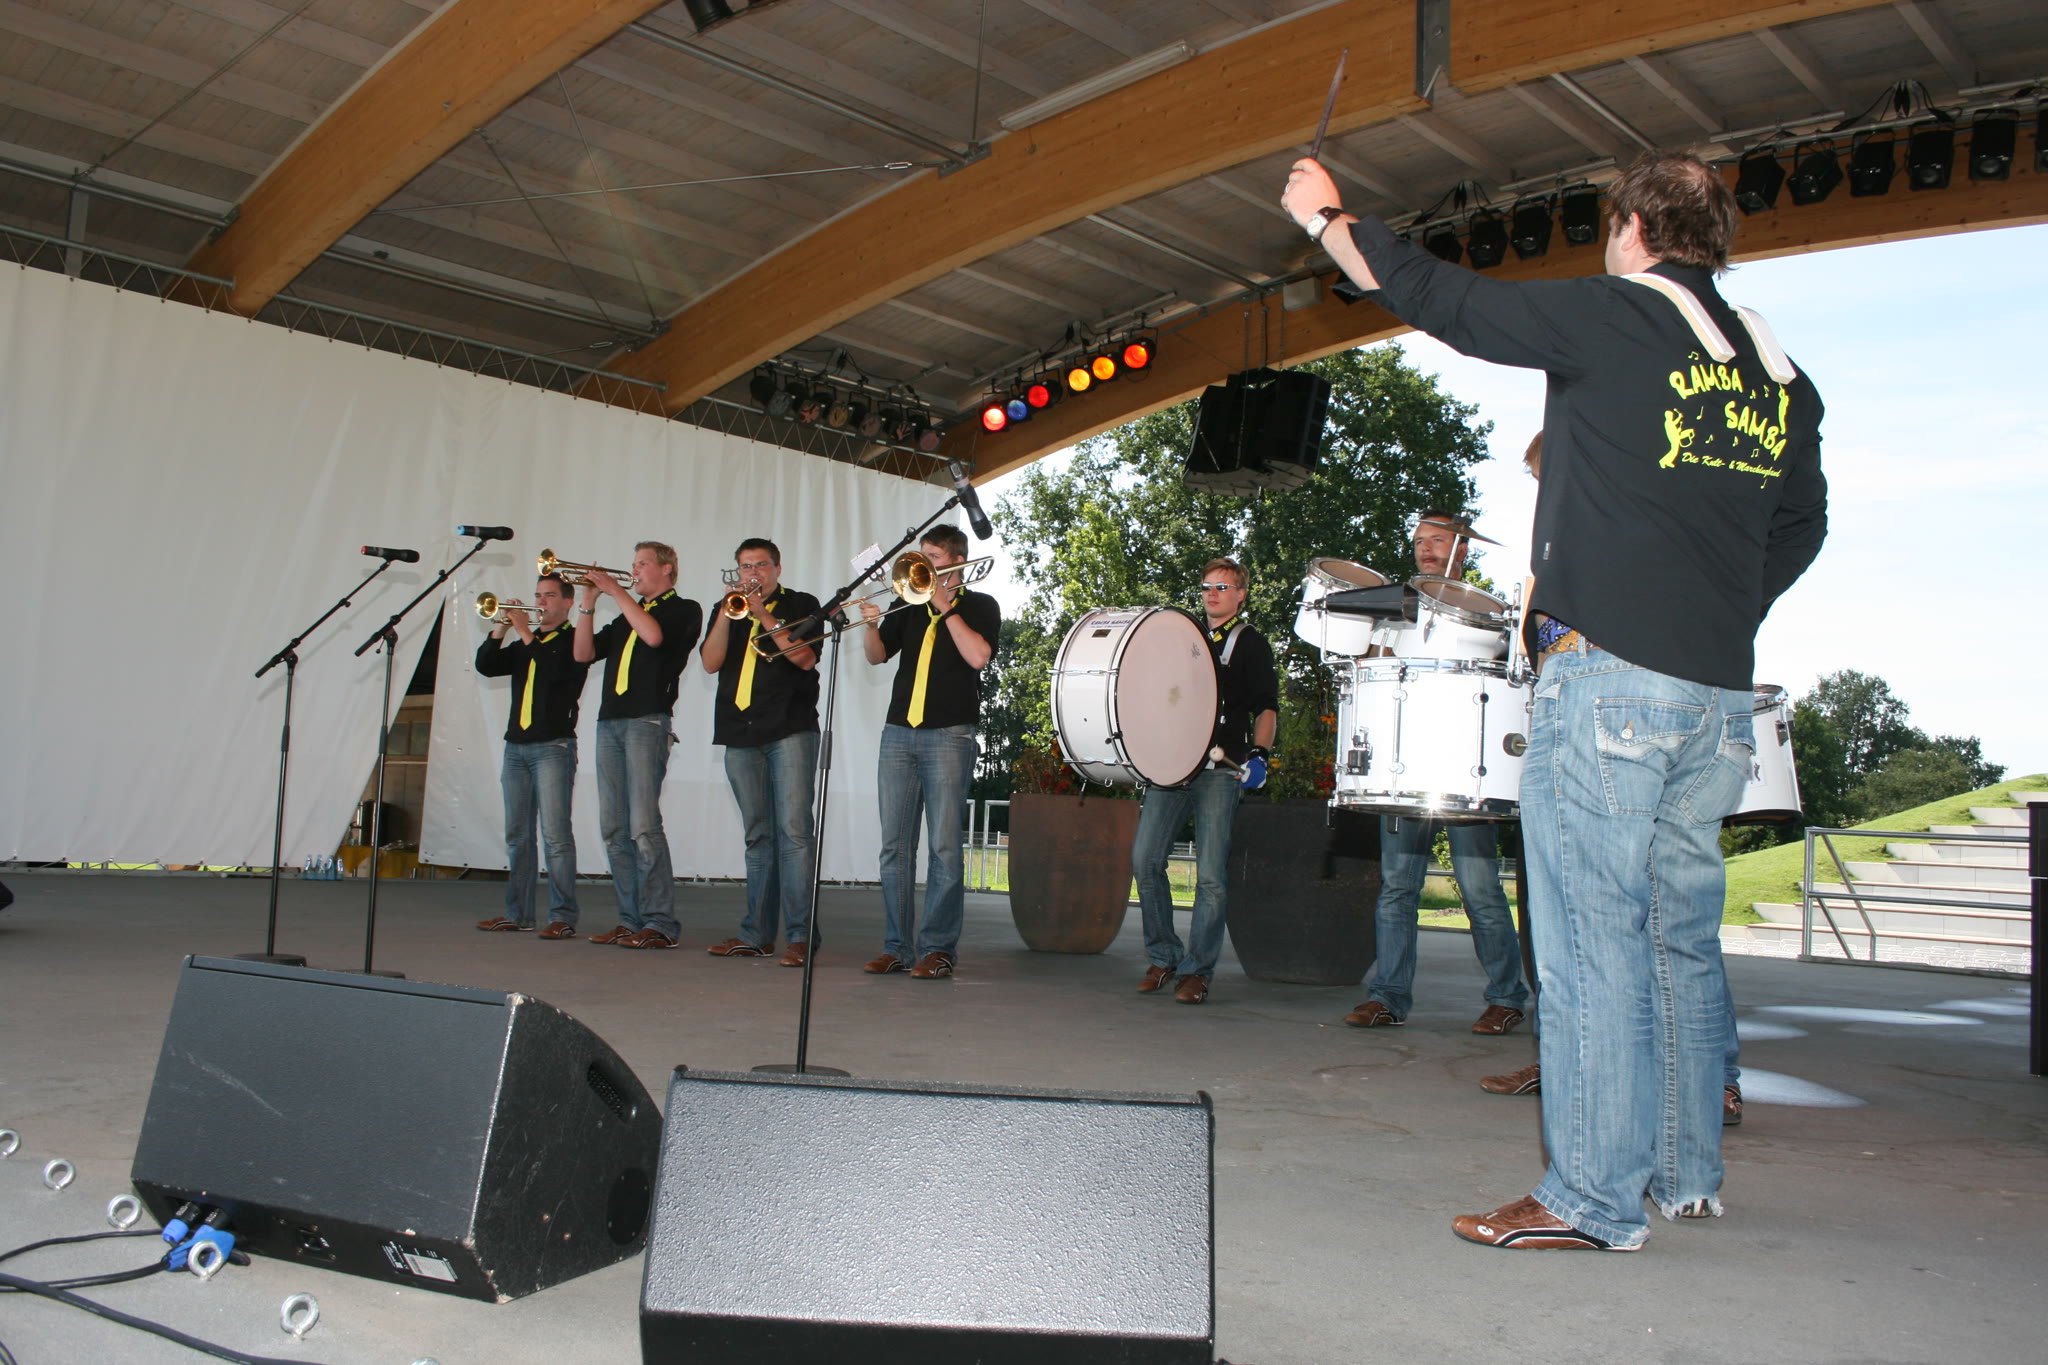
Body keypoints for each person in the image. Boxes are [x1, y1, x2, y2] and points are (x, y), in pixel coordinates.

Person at [1284, 150, 1825, 1250]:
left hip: (1610, 683)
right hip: (1714, 699)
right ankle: (1682, 1175)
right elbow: (1803, 524)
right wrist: (1716, 610)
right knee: (1677, 939)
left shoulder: (1619, 316)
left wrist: (1328, 218)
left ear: (1632, 227)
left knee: (1588, 945)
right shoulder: (1778, 374)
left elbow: (1449, 302)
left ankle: (1588, 1200)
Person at [1342, 513, 1530, 1035]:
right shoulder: (1397, 608)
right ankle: (1387, 997)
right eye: (1420, 541)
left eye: (1438, 540)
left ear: (1462, 549)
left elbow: (1510, 684)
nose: (1426, 549)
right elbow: (1373, 671)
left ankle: (1507, 997)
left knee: (1480, 891)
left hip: (1468, 770)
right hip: (1403, 766)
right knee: (1397, 891)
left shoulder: (1489, 612)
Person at [1130, 557, 1280, 1005]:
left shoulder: (1250, 643)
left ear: (1241, 595)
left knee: (1211, 877)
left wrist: (1260, 754)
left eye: (1222, 586)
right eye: (1207, 587)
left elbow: (1266, 707)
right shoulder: (1184, 637)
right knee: (1145, 861)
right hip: (1171, 768)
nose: (1212, 593)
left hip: (1220, 770)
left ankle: (1197, 971)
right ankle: (1164, 956)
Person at [857, 525, 1000, 979]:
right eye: (923, 555)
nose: (923, 564)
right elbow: (877, 656)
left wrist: (945, 608)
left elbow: (978, 657)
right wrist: (871, 626)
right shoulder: (908, 603)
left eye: (933, 557)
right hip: (899, 732)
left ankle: (937, 950)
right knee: (894, 847)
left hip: (949, 736)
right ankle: (897, 947)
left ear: (956, 561)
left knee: (943, 848)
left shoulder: (981, 605)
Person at [573, 541, 702, 950]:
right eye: (633, 564)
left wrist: (615, 590)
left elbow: (653, 636)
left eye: (643, 564)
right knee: (614, 828)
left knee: (643, 825)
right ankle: (629, 920)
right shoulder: (625, 615)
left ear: (667, 569)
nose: (634, 571)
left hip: (647, 721)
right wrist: (588, 603)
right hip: (609, 723)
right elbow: (582, 654)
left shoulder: (684, 609)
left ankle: (660, 922)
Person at [700, 538, 823, 966]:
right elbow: (710, 662)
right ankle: (756, 935)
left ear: (777, 569)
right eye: (745, 567)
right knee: (757, 836)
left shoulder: (802, 604)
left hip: (789, 729)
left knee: (794, 834)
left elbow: (804, 658)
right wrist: (725, 612)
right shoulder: (728, 609)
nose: (752, 574)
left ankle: (800, 937)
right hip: (740, 732)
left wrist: (763, 614)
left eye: (760, 565)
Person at [473, 572, 591, 938]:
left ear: (568, 602)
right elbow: (486, 665)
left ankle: (563, 917)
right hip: (517, 747)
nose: (540, 602)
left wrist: (524, 631)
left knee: (556, 836)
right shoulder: (528, 642)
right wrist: (501, 628)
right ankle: (519, 913)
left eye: (549, 595)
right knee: (517, 835)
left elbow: (555, 671)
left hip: (553, 747)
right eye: (538, 595)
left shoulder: (574, 640)